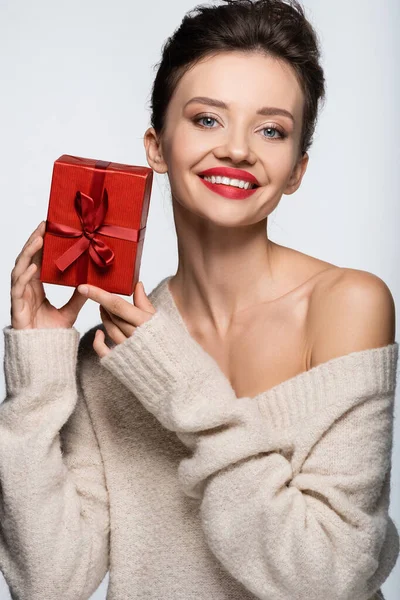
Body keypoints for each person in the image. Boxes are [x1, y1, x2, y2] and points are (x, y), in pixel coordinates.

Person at [0, 1, 397, 599]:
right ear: (156, 148)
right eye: (208, 119)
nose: (238, 150)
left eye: (271, 129)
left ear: (296, 170)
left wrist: (176, 383)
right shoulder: (111, 350)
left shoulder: (346, 305)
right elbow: (49, 582)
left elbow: (328, 578)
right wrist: (37, 380)